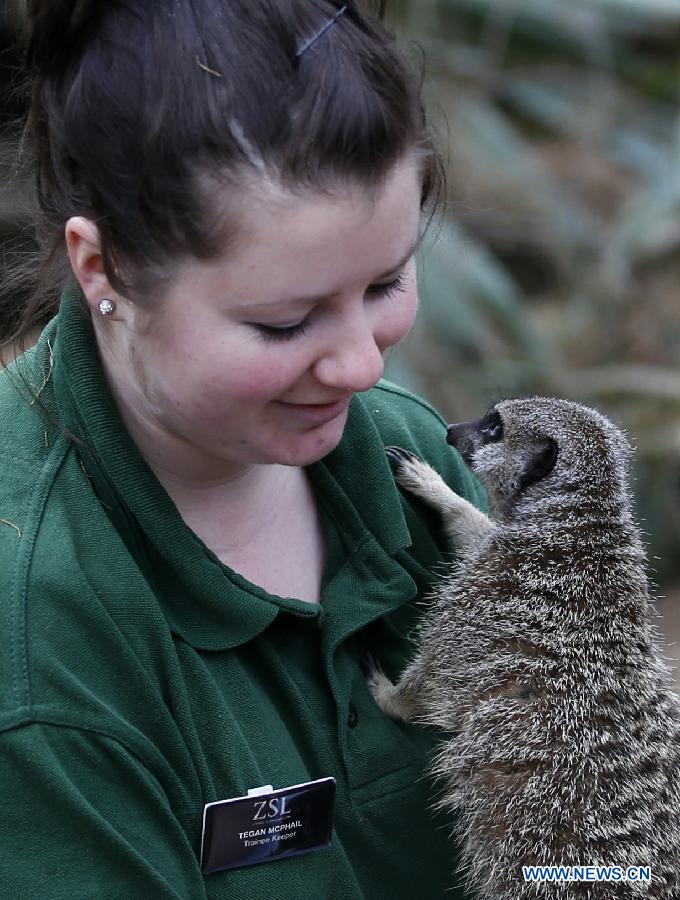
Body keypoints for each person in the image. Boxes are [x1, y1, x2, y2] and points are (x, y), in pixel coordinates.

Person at [0, 2, 485, 897]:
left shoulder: (410, 460)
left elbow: (576, 841)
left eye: (385, 282)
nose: (361, 363)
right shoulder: (39, 649)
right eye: (285, 322)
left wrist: (611, 874)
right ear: (102, 269)